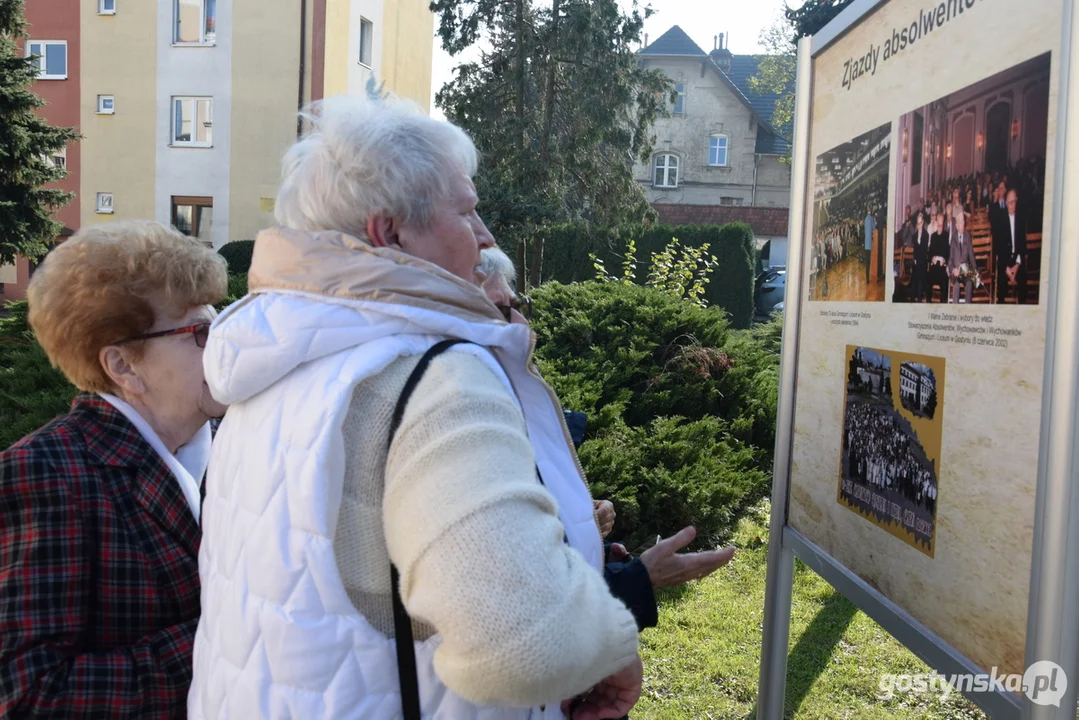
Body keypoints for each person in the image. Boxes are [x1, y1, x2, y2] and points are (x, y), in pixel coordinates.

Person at [190, 95, 643, 720]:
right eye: (467, 212)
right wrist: (605, 650)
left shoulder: (268, 371)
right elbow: (523, 643)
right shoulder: (435, 374)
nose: (486, 240)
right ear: (390, 232)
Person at [0, 221, 228, 717]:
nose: (226, 347)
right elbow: (29, 696)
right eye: (201, 333)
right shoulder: (45, 474)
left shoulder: (234, 450)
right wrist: (230, 636)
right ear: (123, 367)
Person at [995, 189, 1028, 304]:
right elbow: (998, 247)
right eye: (1009, 202)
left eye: (1014, 202)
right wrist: (1007, 269)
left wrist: (1017, 265)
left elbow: (1022, 245)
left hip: (1017, 260)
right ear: (1006, 203)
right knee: (1001, 287)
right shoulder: (1001, 220)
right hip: (1005, 261)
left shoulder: (1021, 219)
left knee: (1023, 282)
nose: (1012, 205)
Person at [949, 211, 978, 303]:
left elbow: (971, 256)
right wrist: (953, 269)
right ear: (957, 225)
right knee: (956, 285)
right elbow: (950, 259)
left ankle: (967, 310)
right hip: (956, 271)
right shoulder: (953, 238)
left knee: (969, 283)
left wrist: (975, 271)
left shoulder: (967, 236)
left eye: (963, 221)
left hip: (965, 270)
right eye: (961, 222)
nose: (963, 224)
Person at [927, 212, 950, 303]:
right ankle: (928, 305)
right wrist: (932, 258)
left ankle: (942, 306)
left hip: (942, 268)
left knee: (945, 283)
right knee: (927, 280)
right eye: (938, 225)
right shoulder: (933, 236)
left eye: (941, 225)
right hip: (933, 268)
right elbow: (929, 254)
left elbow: (949, 253)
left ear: (943, 224)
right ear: (936, 223)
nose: (940, 227)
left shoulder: (946, 235)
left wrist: (944, 259)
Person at [911, 211, 930, 303]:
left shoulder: (926, 235)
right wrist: (915, 260)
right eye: (917, 223)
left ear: (923, 223)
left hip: (922, 261)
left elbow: (924, 250)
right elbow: (914, 251)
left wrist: (917, 260)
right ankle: (914, 297)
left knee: (920, 272)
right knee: (915, 272)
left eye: (920, 223)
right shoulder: (914, 236)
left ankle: (919, 297)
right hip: (916, 262)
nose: (919, 225)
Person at [864, 207, 876, 285]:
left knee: (867, 262)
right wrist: (875, 220)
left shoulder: (865, 219)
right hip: (870, 244)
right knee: (870, 261)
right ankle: (871, 276)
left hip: (866, 244)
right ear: (870, 211)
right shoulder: (871, 218)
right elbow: (874, 227)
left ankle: (867, 278)